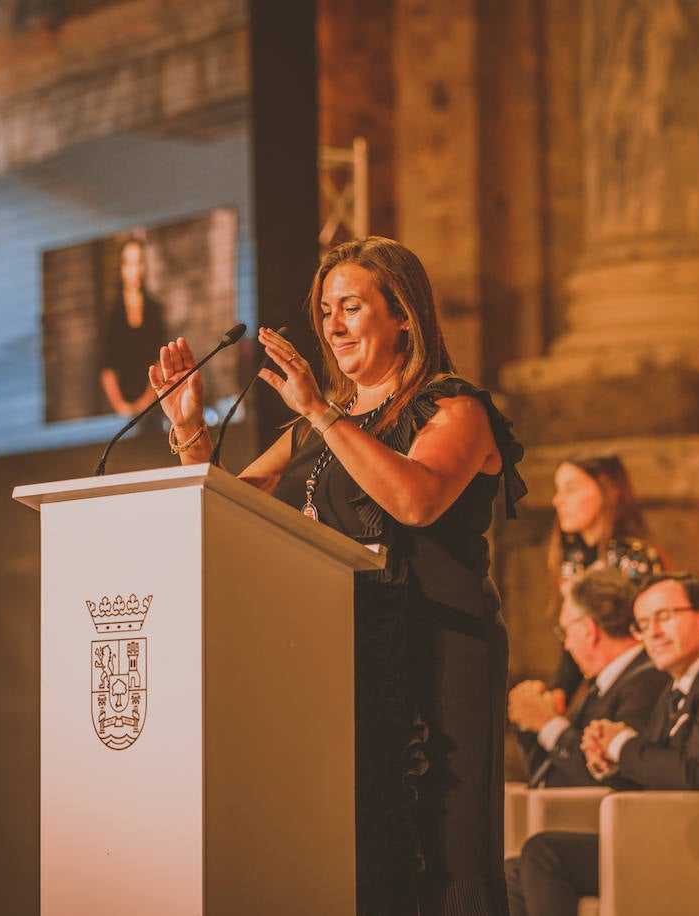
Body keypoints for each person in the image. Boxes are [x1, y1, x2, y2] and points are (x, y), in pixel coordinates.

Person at [149, 236, 527, 914]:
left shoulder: (455, 410)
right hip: (339, 655)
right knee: (360, 847)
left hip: (434, 650)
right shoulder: (313, 432)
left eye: (351, 307)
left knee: (443, 843)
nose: (333, 326)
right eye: (326, 311)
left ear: (403, 315)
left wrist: (321, 412)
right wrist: (189, 430)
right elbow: (223, 511)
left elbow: (416, 501)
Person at [509, 572, 699, 916]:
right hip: (677, 838)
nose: (652, 633)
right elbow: (658, 774)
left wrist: (621, 745)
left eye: (664, 617)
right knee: (513, 872)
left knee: (544, 853)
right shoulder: (680, 684)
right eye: (643, 624)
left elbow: (694, 772)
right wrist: (611, 767)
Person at [506, 568, 665, 790]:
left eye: (566, 632)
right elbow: (546, 773)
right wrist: (530, 723)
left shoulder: (647, 679)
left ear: (588, 629)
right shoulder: (602, 684)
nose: (567, 645)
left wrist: (548, 723)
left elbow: (613, 777)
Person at [546, 453, 663, 697]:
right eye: (558, 490)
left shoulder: (635, 559)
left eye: (571, 489)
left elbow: (643, 644)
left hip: (637, 691)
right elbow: (576, 639)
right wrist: (559, 692)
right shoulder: (573, 560)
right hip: (600, 689)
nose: (558, 500)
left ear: (606, 490)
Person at [99, 238, 168, 416]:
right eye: (129, 264)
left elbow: (160, 361)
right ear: (121, 268)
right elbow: (107, 368)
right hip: (121, 412)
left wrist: (146, 403)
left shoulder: (154, 309)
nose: (134, 270)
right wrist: (121, 406)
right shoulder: (113, 314)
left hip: (154, 406)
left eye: (138, 263)